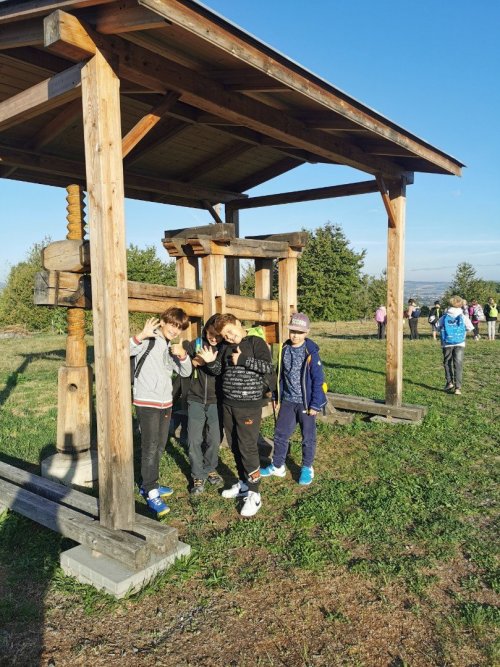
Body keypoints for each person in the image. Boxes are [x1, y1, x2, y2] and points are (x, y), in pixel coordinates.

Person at [198, 313, 274, 517]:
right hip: (228, 404)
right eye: (225, 335)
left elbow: (268, 367)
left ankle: (255, 493)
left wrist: (243, 360)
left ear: (239, 323)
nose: (230, 337)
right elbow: (218, 371)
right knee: (234, 445)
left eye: (231, 332)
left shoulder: (255, 342)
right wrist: (210, 362)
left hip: (249, 406)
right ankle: (243, 483)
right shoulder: (225, 347)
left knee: (247, 447)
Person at [130, 308, 192, 516]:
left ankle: (150, 483)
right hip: (147, 401)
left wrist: (183, 356)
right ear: (163, 321)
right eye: (172, 325)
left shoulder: (169, 346)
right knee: (150, 447)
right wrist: (141, 335)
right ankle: (150, 491)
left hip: (165, 403)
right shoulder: (149, 339)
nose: (175, 330)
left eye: (179, 328)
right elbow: (123, 351)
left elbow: (186, 372)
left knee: (159, 445)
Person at [260, 312, 327, 486]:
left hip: (306, 402)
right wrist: (277, 395)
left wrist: (315, 403)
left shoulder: (310, 352)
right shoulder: (284, 349)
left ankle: (307, 467)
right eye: (292, 331)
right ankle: (278, 465)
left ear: (307, 333)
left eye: (299, 332)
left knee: (308, 437)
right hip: (288, 400)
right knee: (280, 434)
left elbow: (318, 379)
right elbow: (280, 375)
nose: (295, 335)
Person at [183, 314, 224, 495]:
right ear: (205, 329)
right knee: (194, 439)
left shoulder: (223, 348)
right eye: (211, 334)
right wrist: (192, 361)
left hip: (216, 400)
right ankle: (197, 474)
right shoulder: (196, 344)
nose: (214, 338)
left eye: (218, 336)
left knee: (214, 439)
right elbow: (183, 364)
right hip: (195, 399)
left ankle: (210, 468)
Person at [436, 296, 474, 395]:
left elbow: (437, 326)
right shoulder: (462, 316)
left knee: (447, 362)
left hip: (447, 343)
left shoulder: (445, 316)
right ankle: (458, 388)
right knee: (458, 364)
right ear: (460, 304)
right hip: (460, 343)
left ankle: (449, 382)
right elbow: (470, 327)